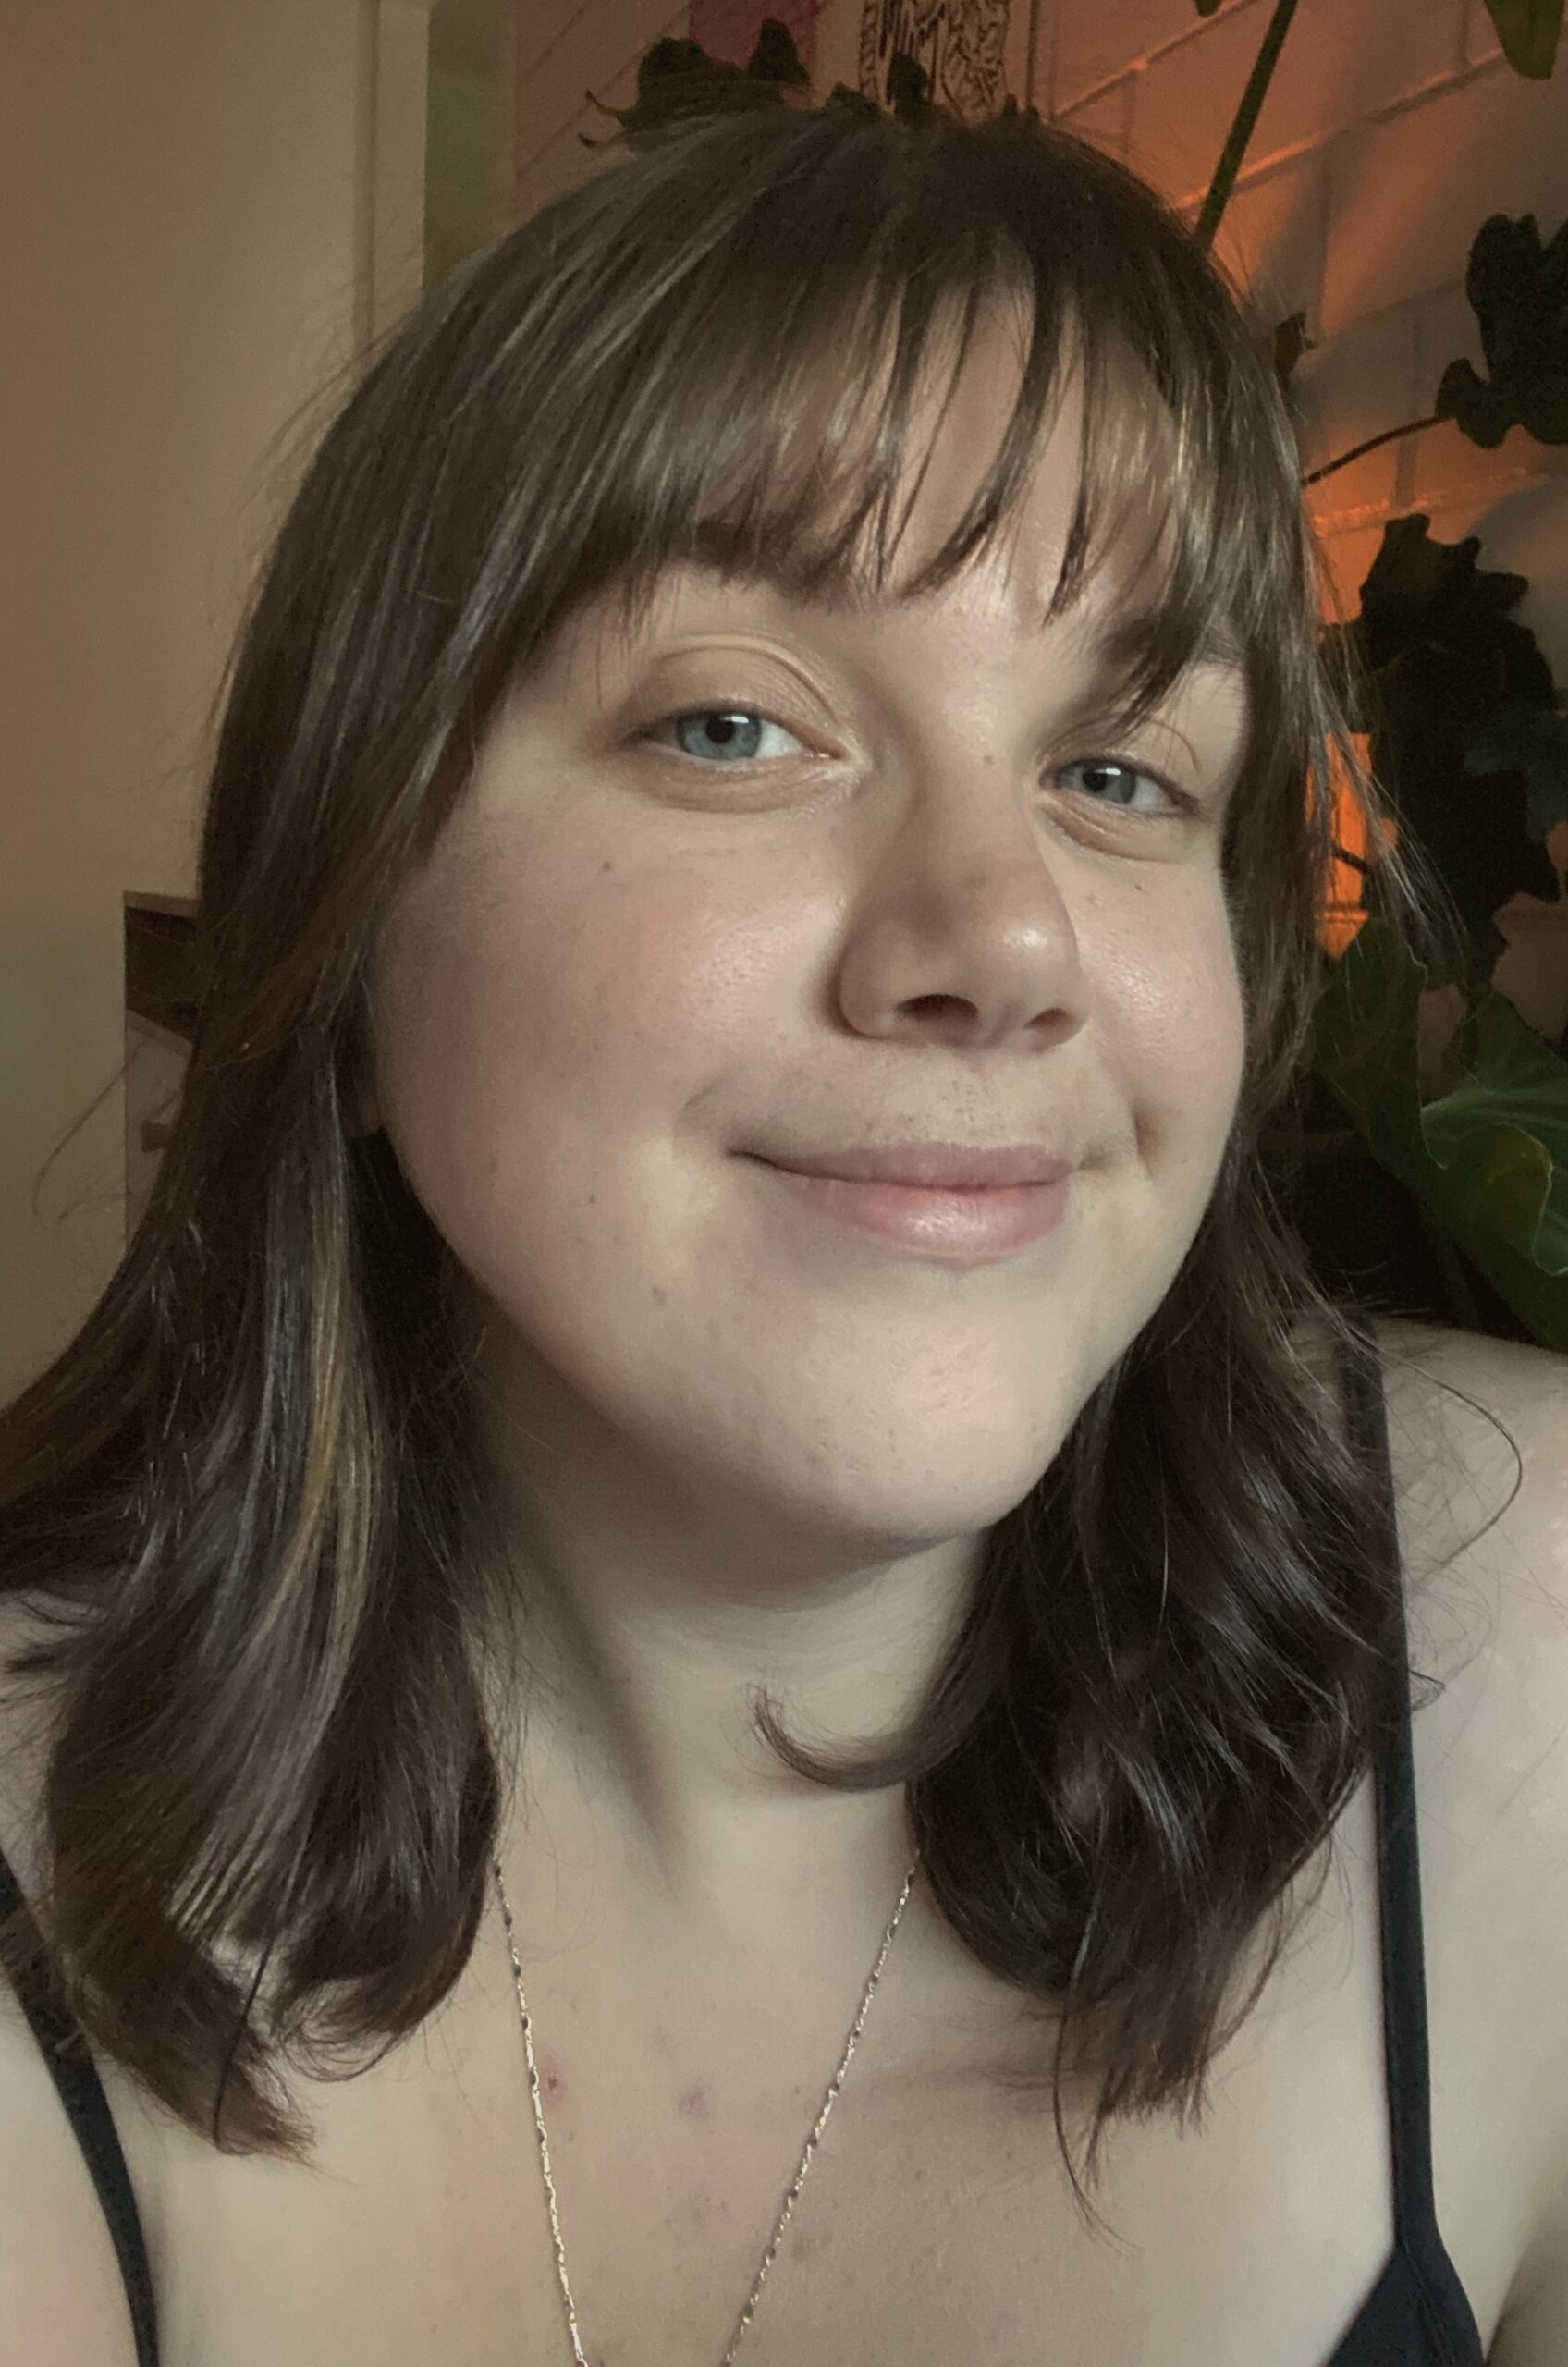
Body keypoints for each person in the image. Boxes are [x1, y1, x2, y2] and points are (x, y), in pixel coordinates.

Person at [1, 94, 1566, 2367]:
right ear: (344, 936)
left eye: (1116, 770)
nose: (1002, 935)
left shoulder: (1524, 1659)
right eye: (735, 722)